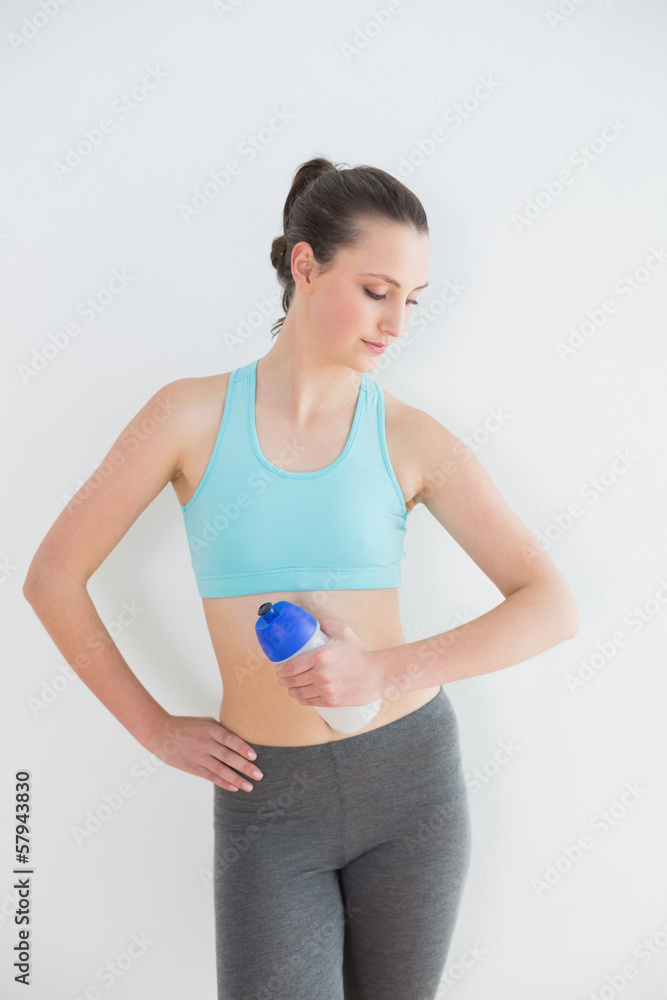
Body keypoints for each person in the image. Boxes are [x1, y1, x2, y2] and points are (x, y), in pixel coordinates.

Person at [23, 155, 579, 999]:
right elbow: (53, 576)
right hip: (266, 801)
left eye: (412, 301)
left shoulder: (411, 437)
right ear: (305, 264)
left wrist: (385, 670)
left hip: (411, 787)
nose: (396, 323)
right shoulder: (188, 415)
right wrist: (152, 728)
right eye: (376, 289)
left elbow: (551, 604)